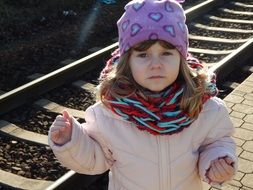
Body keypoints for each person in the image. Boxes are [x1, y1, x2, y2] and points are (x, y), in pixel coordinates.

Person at [48, 0, 237, 189]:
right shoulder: (108, 113)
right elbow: (96, 159)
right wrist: (71, 142)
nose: (156, 64)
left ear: (181, 58)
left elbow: (218, 142)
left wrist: (216, 161)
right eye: (143, 55)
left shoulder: (205, 108)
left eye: (166, 53)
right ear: (127, 63)